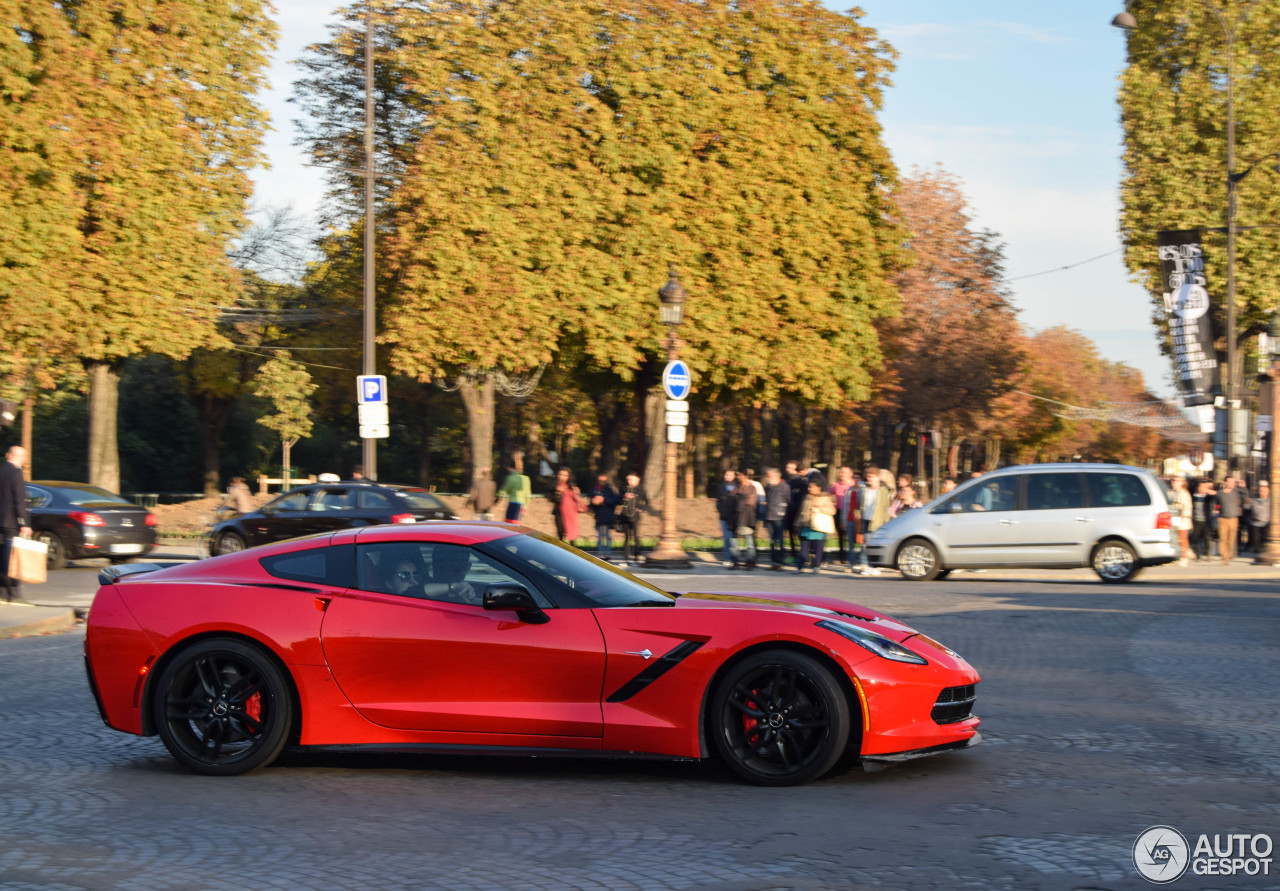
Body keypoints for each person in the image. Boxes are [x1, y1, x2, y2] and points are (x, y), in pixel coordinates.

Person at [0, 446, 32, 603]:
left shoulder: (1, 470)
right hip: (11, 522)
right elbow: (19, 500)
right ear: (22, 458)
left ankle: (2, 593)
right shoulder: (16, 473)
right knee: (12, 558)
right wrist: (24, 523)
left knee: (1, 557)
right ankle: (14, 594)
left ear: (7, 456)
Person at [853, 465, 890, 575]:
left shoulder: (883, 490)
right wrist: (858, 513)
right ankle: (865, 565)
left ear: (878, 477)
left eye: (872, 476)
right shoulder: (863, 490)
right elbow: (859, 504)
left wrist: (885, 522)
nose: (869, 479)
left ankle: (875, 565)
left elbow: (885, 507)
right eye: (868, 476)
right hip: (865, 519)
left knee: (875, 544)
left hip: (878, 520)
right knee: (865, 544)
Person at [796, 477, 836, 573]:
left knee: (818, 549)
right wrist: (797, 523)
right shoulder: (806, 497)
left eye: (812, 487)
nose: (809, 489)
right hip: (805, 527)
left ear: (819, 488)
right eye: (809, 487)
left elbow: (832, 511)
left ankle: (816, 566)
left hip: (818, 528)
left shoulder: (825, 498)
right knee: (804, 549)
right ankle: (800, 566)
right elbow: (800, 512)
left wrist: (821, 508)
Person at [615, 472, 647, 564]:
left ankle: (636, 557)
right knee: (626, 538)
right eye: (628, 479)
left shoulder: (640, 489)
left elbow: (646, 501)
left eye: (632, 479)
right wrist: (624, 497)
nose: (629, 481)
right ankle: (626, 558)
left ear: (637, 480)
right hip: (625, 516)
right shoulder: (624, 488)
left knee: (636, 537)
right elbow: (618, 500)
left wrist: (641, 509)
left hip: (635, 516)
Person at [762, 467, 791, 570]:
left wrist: (784, 512)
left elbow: (789, 501)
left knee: (779, 540)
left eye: (769, 476)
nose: (768, 478)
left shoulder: (785, 487)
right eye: (768, 476)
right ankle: (774, 561)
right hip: (769, 516)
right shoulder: (768, 486)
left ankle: (780, 562)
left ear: (777, 476)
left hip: (779, 517)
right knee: (772, 540)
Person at [730, 471, 759, 570]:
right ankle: (735, 561)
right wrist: (743, 498)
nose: (738, 477)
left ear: (745, 477)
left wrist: (739, 499)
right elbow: (731, 500)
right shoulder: (737, 487)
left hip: (747, 518)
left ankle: (750, 562)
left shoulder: (752, 488)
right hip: (735, 518)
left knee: (749, 542)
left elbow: (751, 502)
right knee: (734, 542)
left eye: (740, 475)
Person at [547, 468, 585, 543]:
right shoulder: (554, 486)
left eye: (565, 475)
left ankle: (573, 549)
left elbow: (576, 498)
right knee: (561, 531)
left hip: (570, 512)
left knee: (571, 532)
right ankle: (561, 548)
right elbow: (551, 498)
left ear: (568, 477)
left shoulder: (571, 486)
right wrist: (557, 493)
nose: (562, 477)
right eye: (561, 475)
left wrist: (576, 492)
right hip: (559, 512)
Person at [589, 473, 619, 560]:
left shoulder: (610, 490)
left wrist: (603, 500)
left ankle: (608, 553)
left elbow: (615, 500)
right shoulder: (594, 490)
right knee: (600, 536)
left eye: (604, 481)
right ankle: (601, 553)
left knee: (607, 536)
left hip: (608, 515)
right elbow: (591, 501)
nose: (602, 482)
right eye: (600, 480)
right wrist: (594, 501)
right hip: (599, 516)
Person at [830, 467, 856, 567]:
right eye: (840, 472)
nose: (841, 474)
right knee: (840, 535)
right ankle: (842, 557)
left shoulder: (854, 484)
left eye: (844, 472)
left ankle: (852, 557)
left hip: (851, 512)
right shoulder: (836, 485)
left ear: (850, 473)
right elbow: (828, 494)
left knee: (850, 535)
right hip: (839, 511)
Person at [1215, 476, 1244, 564]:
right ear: (1225, 482)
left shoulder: (1237, 493)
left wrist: (1242, 486)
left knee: (1231, 539)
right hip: (1222, 518)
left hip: (1233, 518)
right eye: (1230, 482)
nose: (1232, 484)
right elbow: (1215, 503)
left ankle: (1228, 554)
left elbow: (1245, 496)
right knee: (1222, 538)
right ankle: (1224, 557)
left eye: (1233, 482)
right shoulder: (1220, 493)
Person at [783, 461, 807, 564]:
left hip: (798, 511)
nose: (787, 470)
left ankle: (803, 555)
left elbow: (801, 497)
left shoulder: (802, 482)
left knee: (800, 534)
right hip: (789, 511)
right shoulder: (788, 481)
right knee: (791, 535)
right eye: (787, 468)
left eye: (790, 468)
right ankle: (793, 553)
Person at [715, 469, 738, 568]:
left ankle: (735, 559)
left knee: (734, 539)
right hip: (724, 516)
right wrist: (721, 510)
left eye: (730, 475)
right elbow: (717, 501)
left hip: (735, 516)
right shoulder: (720, 486)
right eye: (726, 475)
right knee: (726, 538)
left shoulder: (738, 487)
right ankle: (728, 558)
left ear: (734, 476)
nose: (728, 477)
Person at [1168, 475, 1193, 566]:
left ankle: (1184, 557)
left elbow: (1188, 506)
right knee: (1173, 538)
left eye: (1177, 480)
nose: (1174, 482)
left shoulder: (1184, 493)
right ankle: (1175, 556)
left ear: (1182, 482)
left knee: (1183, 538)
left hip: (1182, 518)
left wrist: (1185, 515)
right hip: (1172, 517)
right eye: (1173, 480)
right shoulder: (1170, 493)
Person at [1189, 478, 1213, 561]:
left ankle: (1207, 554)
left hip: (1205, 520)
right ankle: (1198, 554)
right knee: (1196, 538)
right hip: (1196, 520)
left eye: (1204, 487)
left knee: (1207, 537)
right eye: (1201, 486)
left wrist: (1208, 492)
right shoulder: (1194, 496)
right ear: (1198, 487)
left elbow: (1214, 496)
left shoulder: (1208, 497)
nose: (1202, 488)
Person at [1247, 480, 1270, 555]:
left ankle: (1264, 550)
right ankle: (1257, 551)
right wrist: (1247, 502)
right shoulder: (1254, 498)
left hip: (1266, 522)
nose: (1261, 493)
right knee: (1256, 538)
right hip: (1255, 521)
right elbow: (1247, 507)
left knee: (1265, 538)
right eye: (1260, 491)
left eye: (1263, 491)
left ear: (1267, 491)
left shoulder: (1270, 499)